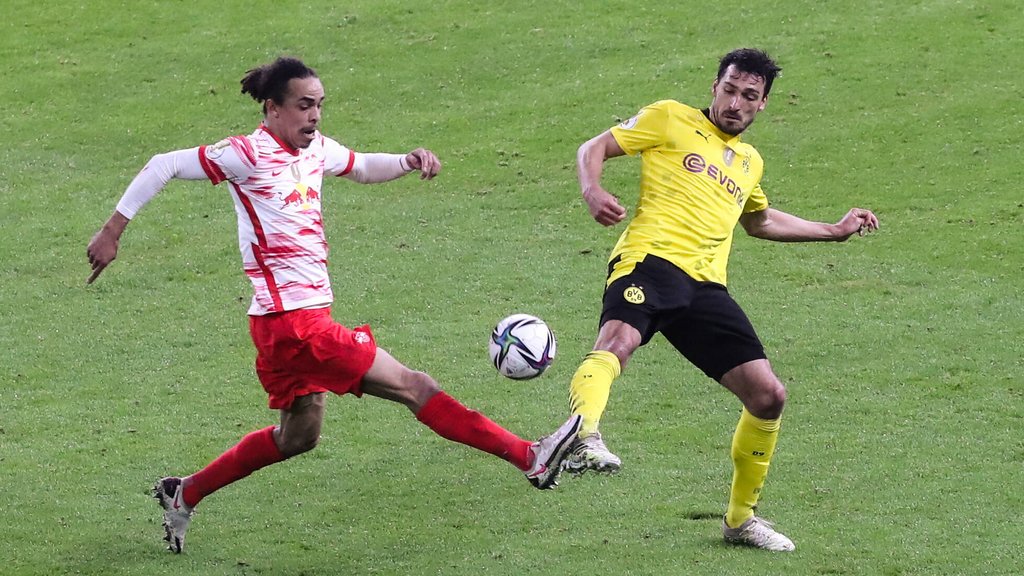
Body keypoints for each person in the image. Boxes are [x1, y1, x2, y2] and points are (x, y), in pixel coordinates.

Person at [86, 56, 582, 554]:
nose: (315, 116)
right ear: (272, 108)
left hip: (282, 325)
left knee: (298, 436)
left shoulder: (315, 150)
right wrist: (113, 230)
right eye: (304, 106)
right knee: (416, 387)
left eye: (320, 105)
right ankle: (530, 458)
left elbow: (362, 166)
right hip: (294, 325)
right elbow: (164, 164)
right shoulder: (246, 154)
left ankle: (184, 492)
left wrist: (406, 162)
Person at [562, 48, 879, 551]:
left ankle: (739, 521)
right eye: (729, 90)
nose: (735, 102)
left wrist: (833, 231)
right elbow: (593, 146)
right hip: (651, 260)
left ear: (763, 104)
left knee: (768, 395)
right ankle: (583, 437)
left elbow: (761, 221)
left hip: (705, 288)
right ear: (715, 87)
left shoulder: (750, 162)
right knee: (617, 342)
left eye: (748, 96)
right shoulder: (669, 118)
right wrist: (592, 189)